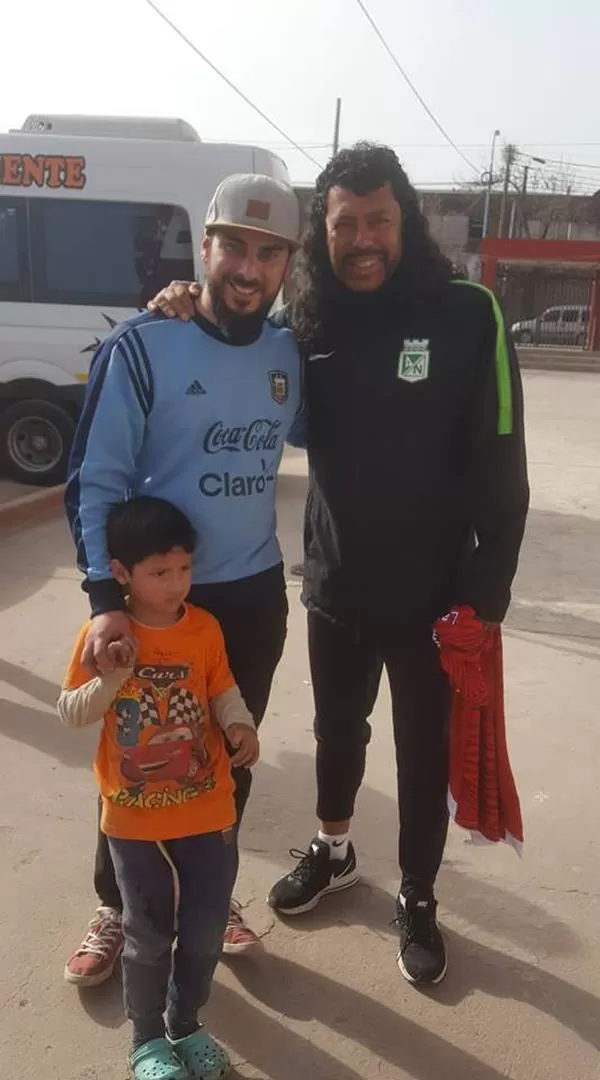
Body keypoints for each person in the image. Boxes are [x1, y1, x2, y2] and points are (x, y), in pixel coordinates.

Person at [148, 142, 530, 987]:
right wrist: (185, 301)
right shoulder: (306, 326)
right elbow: (231, 343)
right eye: (345, 224)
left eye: (379, 221)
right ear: (322, 235)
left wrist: (486, 595)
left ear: (406, 222)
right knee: (336, 736)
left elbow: (504, 464)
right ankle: (333, 849)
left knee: (421, 755)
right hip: (335, 585)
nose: (363, 239)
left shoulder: (468, 314)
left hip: (438, 600)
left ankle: (420, 895)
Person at [63, 172, 302, 986]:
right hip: (158, 598)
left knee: (224, 756)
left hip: (252, 595)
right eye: (232, 243)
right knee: (134, 759)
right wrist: (105, 602)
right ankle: (117, 904)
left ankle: (213, 895)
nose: (248, 265)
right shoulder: (144, 345)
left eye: (268, 252)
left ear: (288, 266)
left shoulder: (286, 353)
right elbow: (95, 478)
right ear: (203, 247)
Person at [58, 496, 256, 1080]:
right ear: (121, 573)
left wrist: (240, 723)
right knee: (147, 936)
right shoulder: (104, 635)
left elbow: (221, 686)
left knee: (201, 933)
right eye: (159, 573)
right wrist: (114, 676)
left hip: (208, 809)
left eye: (184, 569)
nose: (176, 584)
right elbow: (71, 711)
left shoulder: (204, 628)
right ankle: (146, 1040)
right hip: (134, 820)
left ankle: (186, 1023)